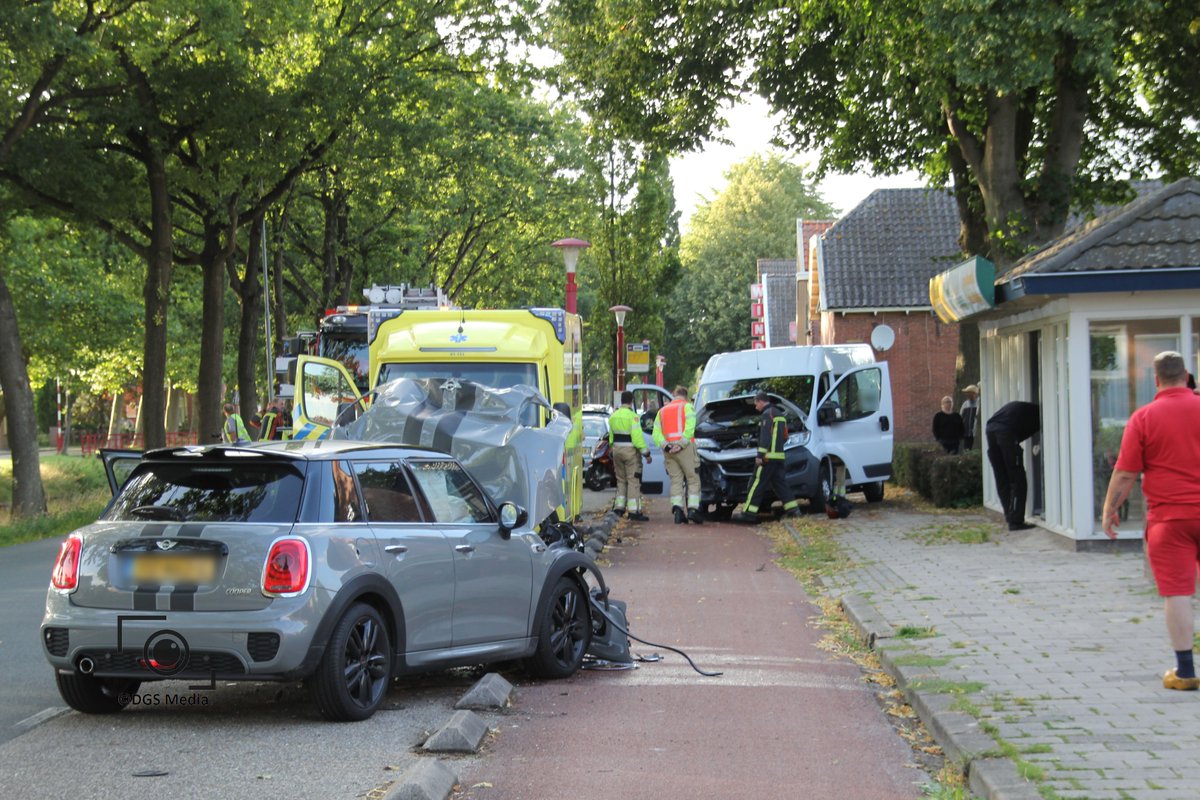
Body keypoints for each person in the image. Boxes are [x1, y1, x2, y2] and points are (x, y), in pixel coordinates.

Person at [1101, 351, 1200, 691]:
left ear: (1156, 380)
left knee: (1177, 592)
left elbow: (1126, 473)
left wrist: (1110, 509)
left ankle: (1185, 671)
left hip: (1169, 519)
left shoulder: (1144, 418)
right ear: (1187, 376)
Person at [734, 392, 801, 523]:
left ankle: (749, 513)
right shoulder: (779, 414)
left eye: (755, 404)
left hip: (767, 458)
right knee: (781, 485)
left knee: (756, 483)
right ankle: (794, 510)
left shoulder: (767, 415)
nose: (755, 407)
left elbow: (765, 437)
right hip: (779, 456)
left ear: (760, 401)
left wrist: (760, 455)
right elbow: (786, 436)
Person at [985, 400, 1040, 531]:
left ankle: (1010, 516)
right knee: (1018, 479)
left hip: (990, 430)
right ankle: (1016, 521)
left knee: (1002, 478)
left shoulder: (1026, 410)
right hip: (1005, 432)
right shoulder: (1039, 415)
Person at [653, 385, 702, 524]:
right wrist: (680, 444)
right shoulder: (688, 407)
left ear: (674, 395)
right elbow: (690, 428)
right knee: (692, 478)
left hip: (669, 451)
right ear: (685, 396)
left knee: (676, 480)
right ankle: (693, 509)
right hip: (684, 448)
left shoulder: (662, 411)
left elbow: (656, 433)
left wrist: (666, 446)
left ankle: (678, 511)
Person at [608, 391, 652, 521]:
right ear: (631, 401)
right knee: (633, 480)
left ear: (621, 401)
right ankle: (633, 511)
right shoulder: (633, 417)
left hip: (616, 451)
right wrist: (646, 454)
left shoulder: (613, 416)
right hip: (630, 453)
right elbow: (637, 439)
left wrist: (613, 448)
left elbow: (611, 437)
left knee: (621, 479)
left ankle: (619, 508)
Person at [959, 384, 980, 450]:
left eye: (968, 393)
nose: (967, 394)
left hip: (975, 432)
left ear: (974, 393)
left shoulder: (979, 403)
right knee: (966, 448)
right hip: (966, 432)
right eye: (966, 393)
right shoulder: (965, 404)